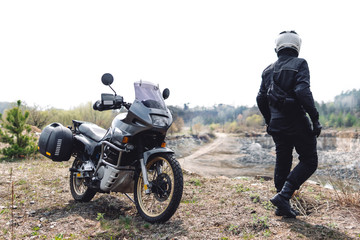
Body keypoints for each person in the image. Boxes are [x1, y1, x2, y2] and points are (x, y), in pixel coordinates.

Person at [256, 31, 322, 218]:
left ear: (278, 46)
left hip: (277, 124)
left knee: (283, 160)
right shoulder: (300, 64)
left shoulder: (267, 70)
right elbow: (303, 91)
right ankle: (284, 196)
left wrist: (269, 121)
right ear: (296, 46)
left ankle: (281, 204)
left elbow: (260, 98)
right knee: (309, 160)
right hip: (297, 121)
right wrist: (315, 119)